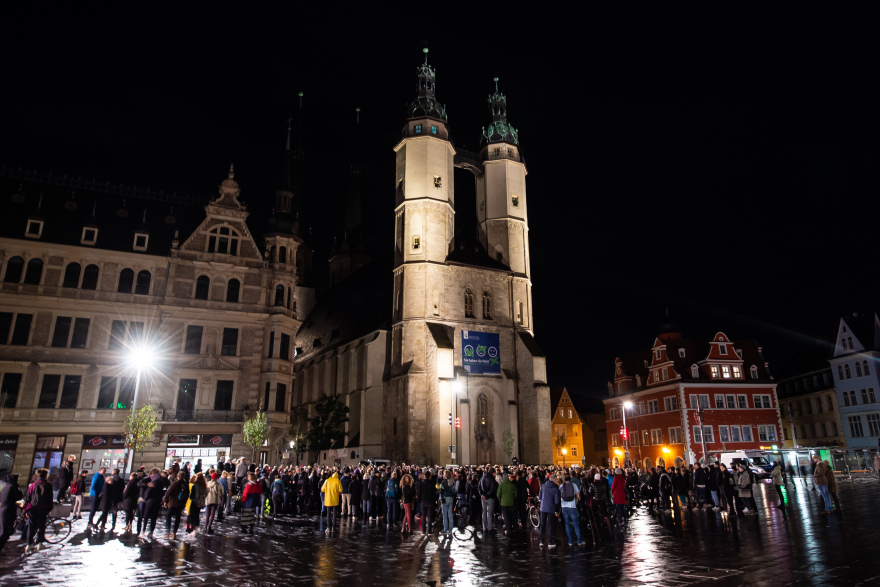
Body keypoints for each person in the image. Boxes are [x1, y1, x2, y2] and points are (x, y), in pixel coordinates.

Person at [24, 468, 53, 553]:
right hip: (42, 508)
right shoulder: (48, 485)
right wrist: (49, 508)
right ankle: (40, 544)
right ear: (46, 475)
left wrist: (25, 508)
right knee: (41, 526)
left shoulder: (33, 484)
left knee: (31, 526)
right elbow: (50, 498)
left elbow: (28, 497)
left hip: (32, 508)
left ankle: (29, 545)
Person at [140, 468, 168, 538]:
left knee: (146, 517)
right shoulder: (161, 482)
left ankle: (143, 531)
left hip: (150, 501)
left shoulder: (153, 483)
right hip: (158, 502)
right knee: (154, 518)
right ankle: (151, 532)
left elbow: (148, 492)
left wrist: (145, 498)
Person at [558, 473, 583, 546]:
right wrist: (577, 500)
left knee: (567, 524)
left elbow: (559, 496)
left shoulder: (561, 486)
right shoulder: (574, 485)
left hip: (564, 507)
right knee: (575, 524)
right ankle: (579, 541)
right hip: (572, 506)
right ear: (570, 479)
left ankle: (570, 541)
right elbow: (578, 496)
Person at [0, 474, 22, 554]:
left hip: (3, 510)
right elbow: (19, 496)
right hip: (8, 511)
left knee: (4, 531)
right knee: (5, 532)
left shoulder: (5, 487)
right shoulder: (12, 487)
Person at [163, 472, 189, 539]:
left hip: (173, 503)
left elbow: (168, 492)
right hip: (180, 504)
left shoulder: (175, 483)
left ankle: (168, 532)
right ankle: (174, 533)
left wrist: (165, 501)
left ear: (178, 477)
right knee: (177, 518)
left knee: (168, 516)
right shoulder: (186, 485)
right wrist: (184, 504)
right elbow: (187, 496)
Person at [537, 474, 560, 548]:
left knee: (542, 524)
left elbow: (540, 497)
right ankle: (550, 541)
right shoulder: (556, 489)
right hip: (551, 509)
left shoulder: (543, 486)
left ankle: (541, 540)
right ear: (554, 480)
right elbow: (557, 502)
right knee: (550, 525)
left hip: (543, 508)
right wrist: (556, 511)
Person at [417, 469, 437, 534]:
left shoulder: (421, 483)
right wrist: (435, 501)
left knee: (423, 516)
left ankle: (423, 530)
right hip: (430, 501)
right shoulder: (432, 483)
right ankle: (429, 530)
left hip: (423, 501)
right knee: (429, 516)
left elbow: (419, 493)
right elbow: (434, 493)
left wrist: (419, 500)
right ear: (430, 476)